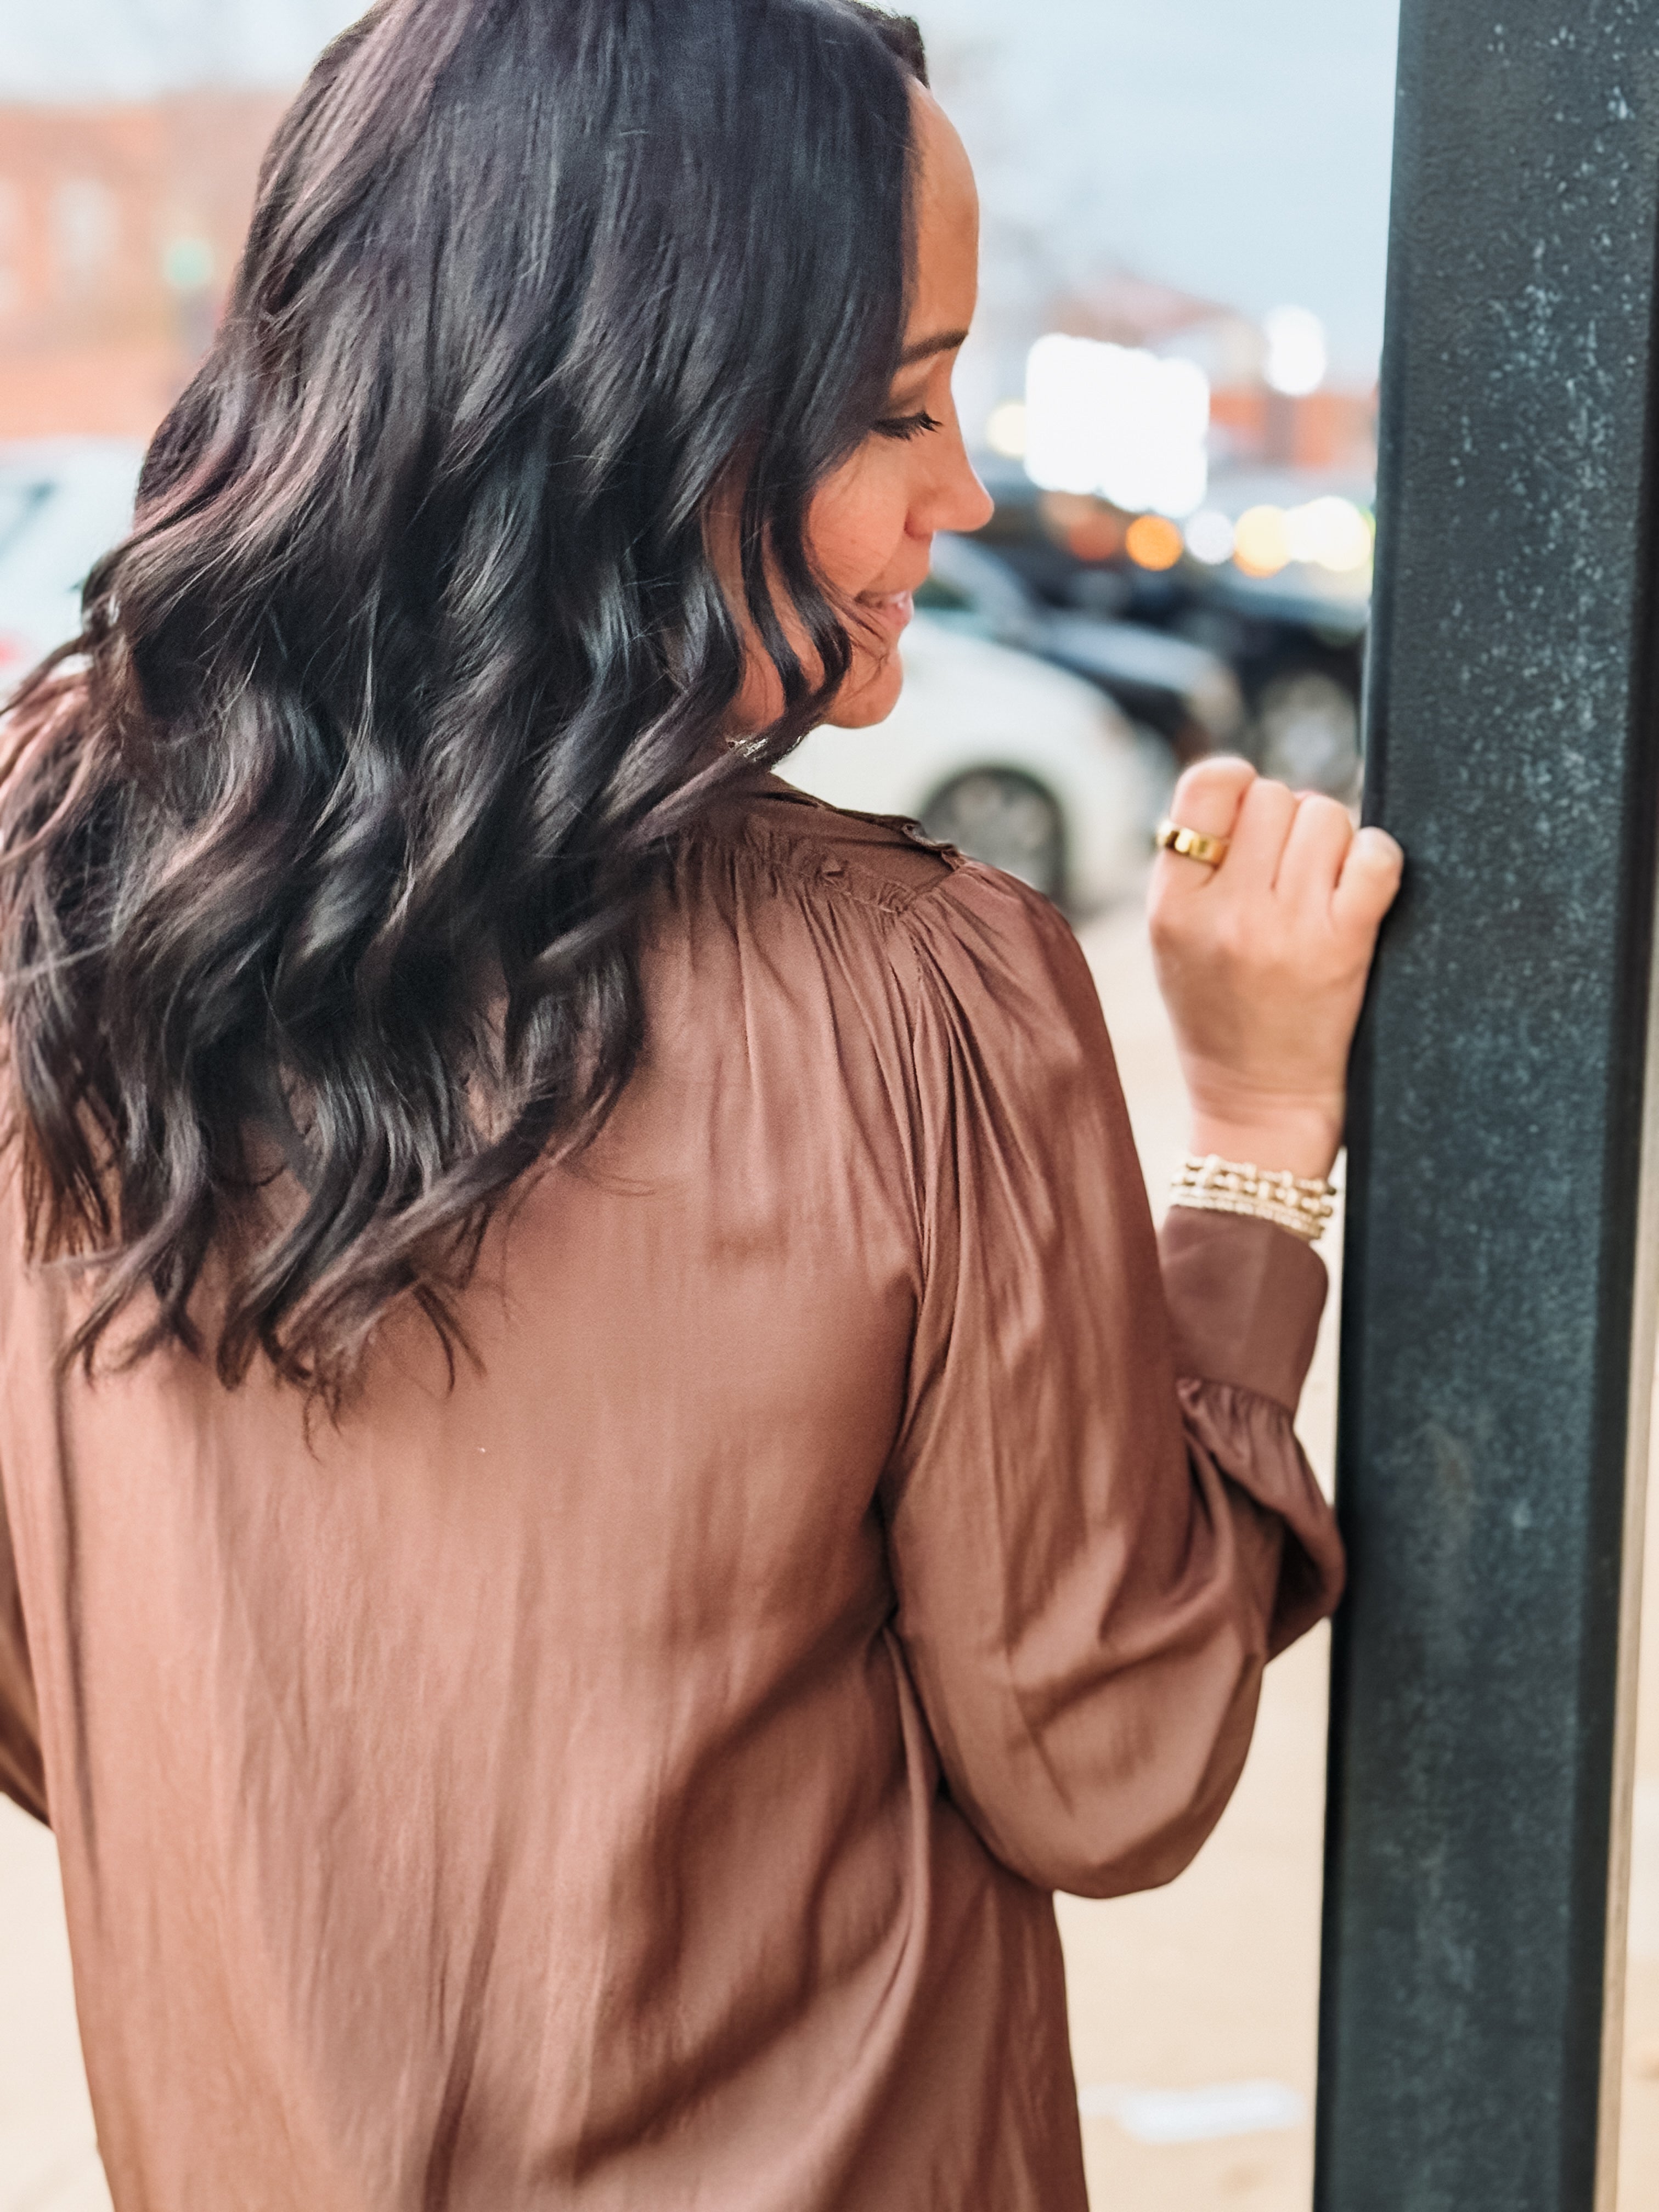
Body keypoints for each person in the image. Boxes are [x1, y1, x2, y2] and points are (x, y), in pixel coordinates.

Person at [0, 2, 1402, 2206]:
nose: (963, 490)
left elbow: (60, 1702)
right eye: (902, 406)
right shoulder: (914, 1000)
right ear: (647, 417)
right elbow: (1110, 1758)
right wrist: (1252, 1143)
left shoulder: (56, 932)